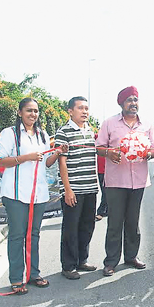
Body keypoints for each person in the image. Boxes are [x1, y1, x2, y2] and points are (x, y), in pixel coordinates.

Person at [0, 97, 64, 294]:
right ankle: (17, 278)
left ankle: (34, 274)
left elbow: (46, 163)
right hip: (15, 193)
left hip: (38, 193)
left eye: (35, 111)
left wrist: (58, 152)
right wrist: (25, 158)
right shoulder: (9, 133)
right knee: (17, 235)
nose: (33, 114)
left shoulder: (42, 134)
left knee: (33, 234)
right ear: (19, 113)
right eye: (28, 111)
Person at [96, 86, 154, 276]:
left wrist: (149, 154)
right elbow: (99, 146)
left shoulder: (147, 124)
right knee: (115, 222)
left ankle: (131, 256)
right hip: (116, 180)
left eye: (136, 100)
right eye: (129, 100)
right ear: (122, 103)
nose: (133, 104)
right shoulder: (109, 123)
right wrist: (109, 153)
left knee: (133, 221)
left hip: (138, 180)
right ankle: (111, 262)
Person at [55, 96, 99, 280]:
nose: (84, 112)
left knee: (87, 226)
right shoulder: (63, 132)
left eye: (86, 108)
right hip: (73, 189)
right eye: (80, 108)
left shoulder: (90, 130)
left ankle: (82, 259)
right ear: (70, 111)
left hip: (90, 186)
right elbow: (61, 162)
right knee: (71, 228)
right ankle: (68, 265)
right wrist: (68, 190)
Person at [95, 133, 108, 221]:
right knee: (105, 191)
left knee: (109, 192)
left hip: (112, 170)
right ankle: (101, 211)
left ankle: (106, 210)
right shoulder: (99, 137)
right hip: (102, 170)